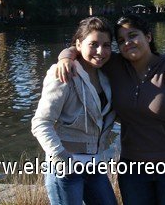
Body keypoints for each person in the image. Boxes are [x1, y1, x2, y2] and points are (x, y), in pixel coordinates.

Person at [57, 14, 165, 205]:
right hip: (132, 170)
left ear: (148, 36)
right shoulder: (114, 66)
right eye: (121, 40)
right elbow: (85, 48)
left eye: (133, 35)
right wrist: (65, 58)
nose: (128, 43)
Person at [32, 17, 117, 205]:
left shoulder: (107, 74)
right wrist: (62, 158)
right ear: (78, 44)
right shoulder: (64, 73)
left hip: (94, 165)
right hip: (65, 168)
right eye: (93, 44)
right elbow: (40, 123)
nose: (100, 51)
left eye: (106, 45)